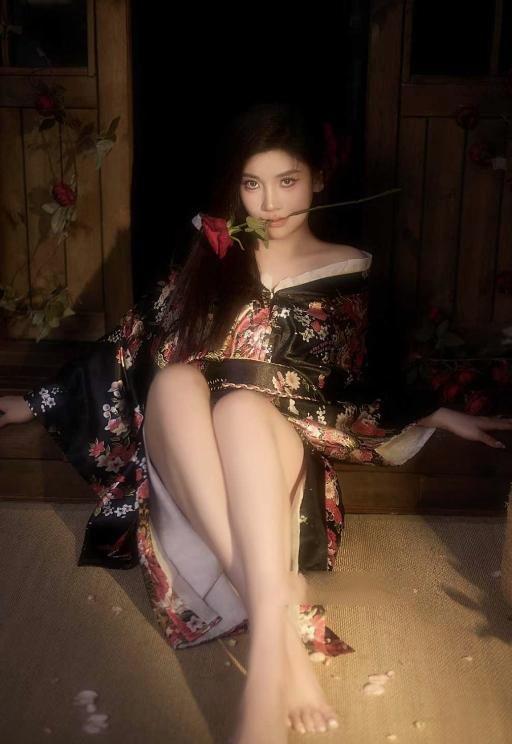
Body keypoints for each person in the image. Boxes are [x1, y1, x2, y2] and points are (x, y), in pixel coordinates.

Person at [1, 102, 511, 744]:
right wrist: (36, 402)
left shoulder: (346, 270)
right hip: (191, 461)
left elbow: (350, 382)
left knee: (242, 406)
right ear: (235, 187)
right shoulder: (214, 249)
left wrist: (433, 410)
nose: (270, 203)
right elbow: (138, 335)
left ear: (318, 178)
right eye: (252, 184)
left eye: (287, 181)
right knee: (177, 380)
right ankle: (279, 630)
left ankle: (268, 656)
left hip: (268, 463)